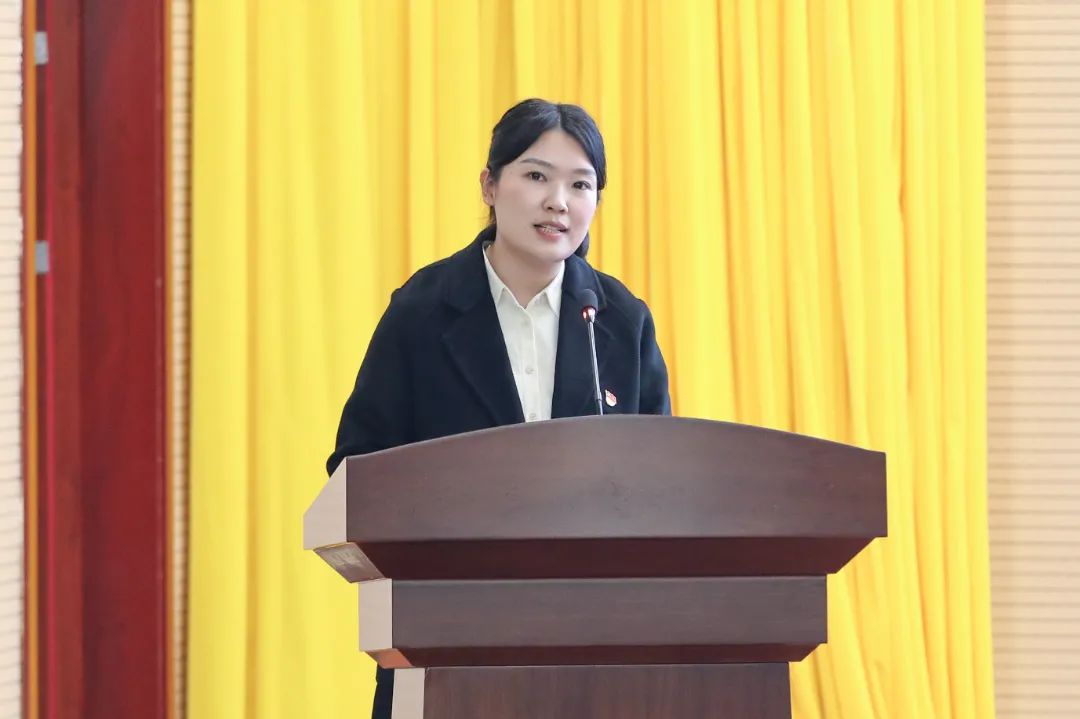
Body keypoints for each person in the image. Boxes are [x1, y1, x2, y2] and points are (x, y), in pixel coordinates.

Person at [326, 98, 671, 719]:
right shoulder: (422, 311)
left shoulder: (620, 321)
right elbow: (356, 467)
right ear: (489, 186)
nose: (558, 202)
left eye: (580, 185)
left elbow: (664, 484)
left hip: (594, 647)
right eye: (536, 176)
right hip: (446, 640)